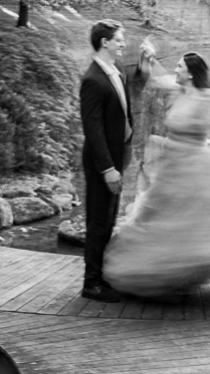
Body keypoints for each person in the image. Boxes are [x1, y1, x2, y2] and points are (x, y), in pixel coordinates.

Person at [102, 50, 210, 298]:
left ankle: (185, 269)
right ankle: (170, 273)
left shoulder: (208, 98)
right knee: (163, 218)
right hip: (173, 165)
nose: (175, 70)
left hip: (194, 165)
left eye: (179, 67)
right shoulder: (181, 90)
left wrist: (193, 139)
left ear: (191, 73)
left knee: (192, 220)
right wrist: (150, 62)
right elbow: (159, 79)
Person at [79, 19, 152, 303]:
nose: (123, 43)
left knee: (109, 219)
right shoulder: (92, 80)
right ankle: (91, 284)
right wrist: (108, 169)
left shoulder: (116, 69)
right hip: (103, 163)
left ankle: (102, 276)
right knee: (98, 222)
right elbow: (93, 129)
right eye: (119, 39)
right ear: (105, 42)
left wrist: (145, 61)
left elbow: (134, 84)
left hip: (118, 156)